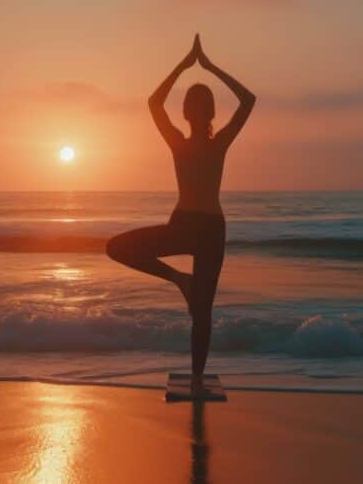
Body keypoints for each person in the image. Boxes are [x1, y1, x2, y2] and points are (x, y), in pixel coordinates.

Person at [106, 34, 256, 396]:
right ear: (207, 113)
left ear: (189, 112)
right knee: (202, 310)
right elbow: (248, 99)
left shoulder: (181, 141)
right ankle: (197, 375)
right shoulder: (215, 143)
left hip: (191, 226)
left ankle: (179, 283)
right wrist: (207, 66)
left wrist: (187, 65)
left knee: (118, 248)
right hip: (206, 227)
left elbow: (155, 102)